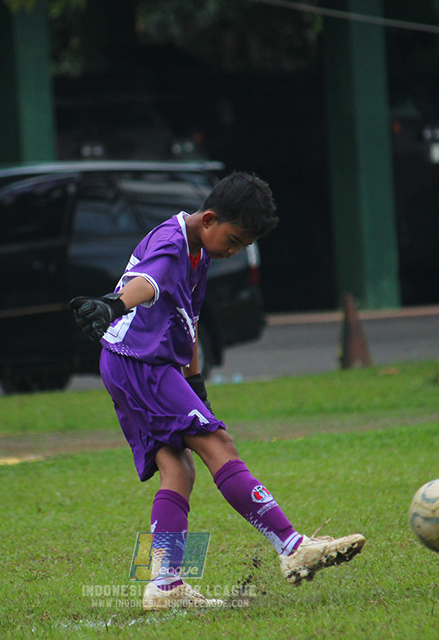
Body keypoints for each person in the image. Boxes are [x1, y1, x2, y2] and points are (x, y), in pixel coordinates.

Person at [69, 172, 365, 611]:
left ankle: (164, 586)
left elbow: (186, 320)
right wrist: (114, 304)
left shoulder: (199, 250)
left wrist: (194, 382)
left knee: (179, 471)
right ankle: (291, 546)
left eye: (243, 245)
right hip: (140, 364)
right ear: (209, 219)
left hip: (135, 363)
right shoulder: (172, 243)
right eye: (234, 238)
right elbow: (147, 284)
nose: (234, 250)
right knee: (219, 446)